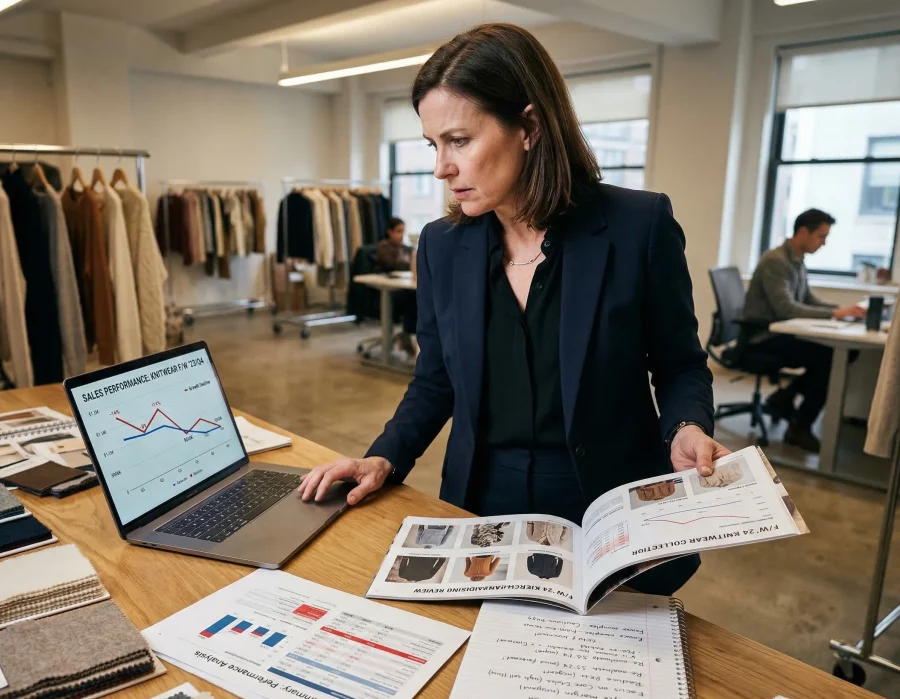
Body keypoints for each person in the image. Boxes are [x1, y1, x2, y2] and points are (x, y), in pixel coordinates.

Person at [298, 22, 728, 596]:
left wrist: (686, 425)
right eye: (433, 146)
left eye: (459, 141)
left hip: (607, 506)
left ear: (528, 126)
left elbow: (679, 363)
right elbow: (435, 380)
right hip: (482, 507)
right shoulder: (443, 246)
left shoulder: (638, 226)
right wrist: (383, 458)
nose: (441, 169)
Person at [743, 208, 865, 452]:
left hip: (783, 333)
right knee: (831, 357)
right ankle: (799, 426)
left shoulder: (796, 260)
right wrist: (834, 314)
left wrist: (841, 309)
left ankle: (785, 396)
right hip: (763, 337)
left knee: (845, 353)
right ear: (802, 232)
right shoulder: (775, 261)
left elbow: (807, 298)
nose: (824, 243)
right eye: (821, 236)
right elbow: (786, 309)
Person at [375, 217, 418, 357]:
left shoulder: (405, 248)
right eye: (398, 231)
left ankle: (410, 333)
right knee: (411, 298)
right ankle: (408, 333)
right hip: (385, 289)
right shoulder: (383, 247)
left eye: (403, 231)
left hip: (402, 286)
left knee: (415, 295)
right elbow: (392, 264)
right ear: (389, 232)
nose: (401, 235)